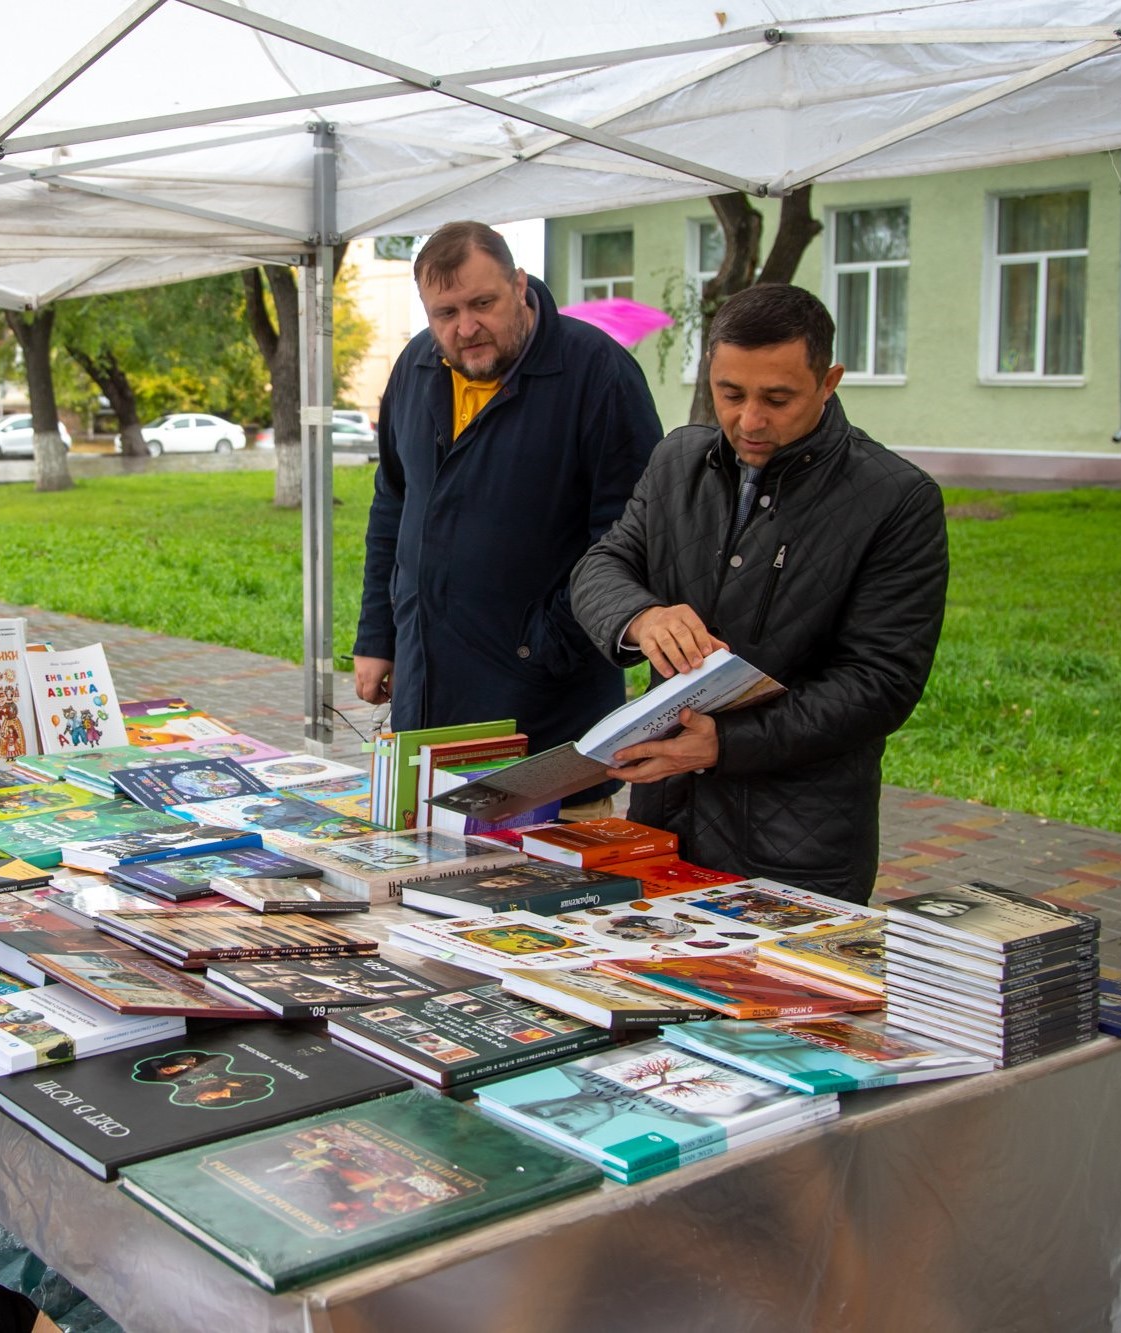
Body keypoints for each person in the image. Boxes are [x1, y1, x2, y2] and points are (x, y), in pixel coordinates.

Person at [569, 283, 948, 905]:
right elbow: (600, 566)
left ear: (829, 382)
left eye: (777, 398)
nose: (750, 420)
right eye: (730, 393)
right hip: (663, 819)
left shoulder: (896, 500)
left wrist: (726, 744)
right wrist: (641, 617)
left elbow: (881, 682)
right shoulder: (677, 461)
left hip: (801, 839)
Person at [352, 220, 662, 813]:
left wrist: (541, 647)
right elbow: (392, 504)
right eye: (444, 312)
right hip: (427, 718)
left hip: (544, 723)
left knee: (539, 899)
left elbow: (634, 538)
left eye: (482, 303)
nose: (465, 328)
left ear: (519, 285)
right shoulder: (416, 367)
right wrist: (378, 636)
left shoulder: (596, 373)